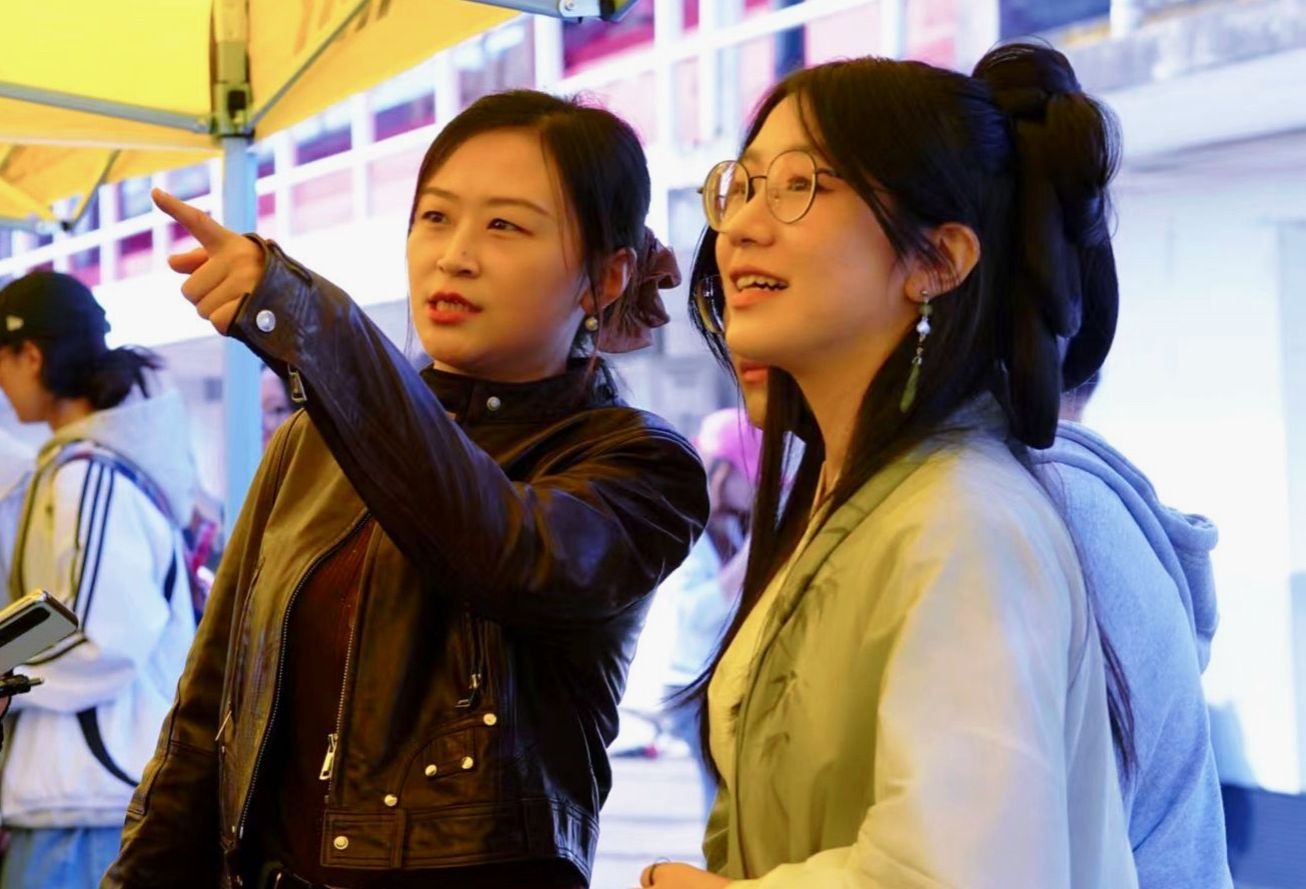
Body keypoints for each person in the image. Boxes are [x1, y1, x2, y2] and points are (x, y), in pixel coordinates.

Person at [104, 90, 709, 889]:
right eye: (435, 217)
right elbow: (206, 713)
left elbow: (506, 553)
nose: (454, 255)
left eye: (505, 225)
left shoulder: (641, 464)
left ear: (605, 276)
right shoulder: (311, 442)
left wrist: (310, 324)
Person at [643, 44, 1140, 888]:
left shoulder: (961, 519)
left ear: (936, 261)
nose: (742, 225)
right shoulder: (869, 499)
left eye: (800, 184)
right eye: (745, 185)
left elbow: (964, 874)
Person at [0, 271, 198, 889]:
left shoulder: (89, 475)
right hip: (80, 796)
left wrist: (4, 667)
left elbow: (99, 633)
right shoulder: (89, 468)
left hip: (91, 800)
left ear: (30, 356)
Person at [658, 408, 760, 820]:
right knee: (722, 797)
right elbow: (694, 613)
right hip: (692, 685)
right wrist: (752, 554)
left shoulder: (730, 527)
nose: (756, 486)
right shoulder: (691, 528)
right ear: (722, 472)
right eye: (749, 476)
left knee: (729, 797)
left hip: (717, 679)